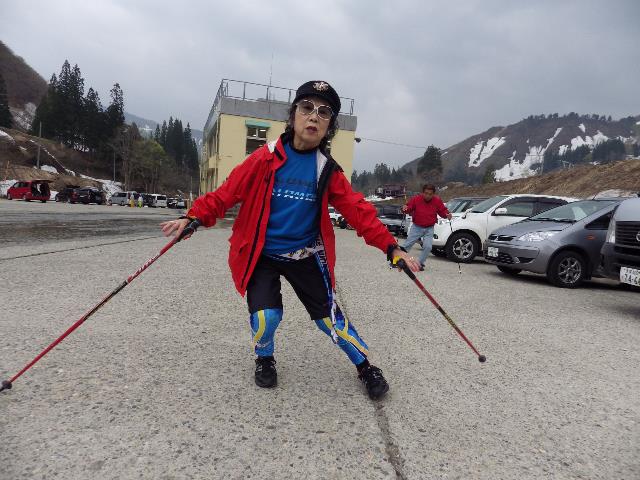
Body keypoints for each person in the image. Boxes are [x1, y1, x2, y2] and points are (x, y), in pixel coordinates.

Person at [160, 80, 420, 400]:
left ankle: (365, 366)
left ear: (329, 127)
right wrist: (193, 218)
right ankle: (264, 357)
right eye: (307, 107)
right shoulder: (264, 158)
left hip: (305, 255)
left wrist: (391, 247)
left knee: (330, 322)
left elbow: (359, 212)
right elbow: (226, 194)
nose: (314, 116)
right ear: (294, 114)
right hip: (263, 255)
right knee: (265, 317)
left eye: (324, 113)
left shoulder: (326, 170)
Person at [401, 184, 452, 270]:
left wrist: (447, 214)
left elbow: (442, 210)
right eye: (426, 193)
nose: (428, 196)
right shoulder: (416, 199)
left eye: (430, 194)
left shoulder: (437, 200)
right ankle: (397, 261)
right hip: (417, 226)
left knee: (428, 247)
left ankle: (419, 264)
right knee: (407, 245)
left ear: (433, 194)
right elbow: (408, 208)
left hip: (429, 228)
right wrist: (404, 209)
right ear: (423, 192)